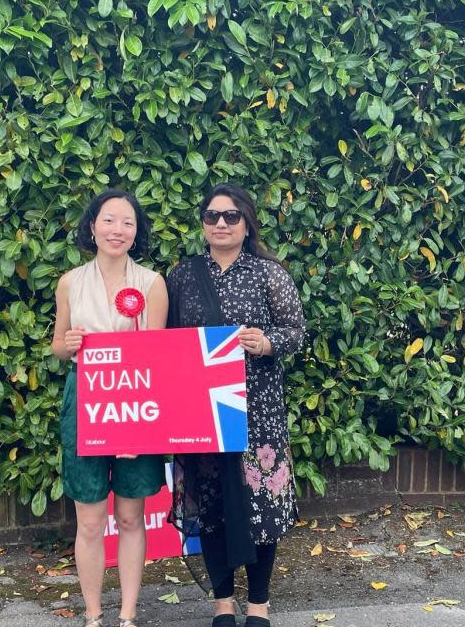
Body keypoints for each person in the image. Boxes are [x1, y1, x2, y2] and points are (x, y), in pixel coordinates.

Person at [167, 184, 306, 627]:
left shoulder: (269, 273)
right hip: (202, 411)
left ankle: (259, 605)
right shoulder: (183, 275)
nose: (221, 224)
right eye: (212, 216)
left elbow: (296, 332)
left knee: (259, 506)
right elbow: (167, 342)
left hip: (257, 412)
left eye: (230, 216)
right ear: (203, 223)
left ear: (247, 224)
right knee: (211, 509)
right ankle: (222, 603)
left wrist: (266, 342)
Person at [51, 188, 170, 627]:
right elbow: (58, 349)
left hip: (136, 402)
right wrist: (68, 344)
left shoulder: (152, 284)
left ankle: (128, 614)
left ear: (136, 234)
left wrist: (134, 428)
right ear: (93, 226)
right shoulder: (69, 282)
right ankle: (93, 615)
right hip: (85, 399)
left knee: (130, 515)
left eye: (127, 223)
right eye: (109, 220)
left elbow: (155, 358)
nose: (117, 230)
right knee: (89, 518)